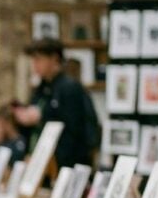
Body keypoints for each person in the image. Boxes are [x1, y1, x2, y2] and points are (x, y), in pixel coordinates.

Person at [15, 38, 100, 170]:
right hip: (40, 164)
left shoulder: (69, 88)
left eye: (39, 59)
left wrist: (41, 117)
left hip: (65, 165)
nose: (34, 64)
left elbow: (75, 131)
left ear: (54, 59)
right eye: (33, 60)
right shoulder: (41, 89)